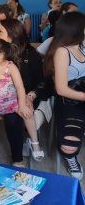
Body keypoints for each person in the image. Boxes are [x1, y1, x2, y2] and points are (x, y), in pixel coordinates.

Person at [43, 12, 85, 179]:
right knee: (68, 146)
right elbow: (61, 89)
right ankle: (71, 158)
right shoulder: (62, 51)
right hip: (69, 99)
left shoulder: (83, 45)